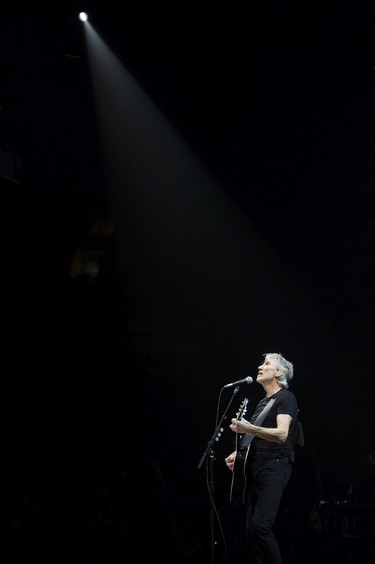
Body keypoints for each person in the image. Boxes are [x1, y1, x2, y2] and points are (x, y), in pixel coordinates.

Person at [225, 352, 298, 563]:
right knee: (249, 530)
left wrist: (249, 427)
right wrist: (237, 455)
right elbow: (256, 436)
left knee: (261, 526)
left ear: (278, 372)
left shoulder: (286, 398)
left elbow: (282, 434)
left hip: (274, 468)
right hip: (255, 468)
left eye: (266, 364)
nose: (260, 367)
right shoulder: (262, 403)